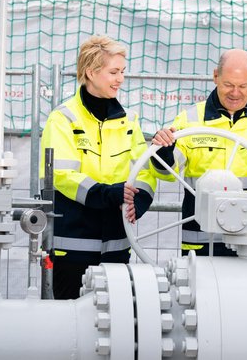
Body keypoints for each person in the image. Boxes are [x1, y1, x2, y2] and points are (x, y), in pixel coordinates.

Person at [150, 48, 247, 256]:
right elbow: (167, 171)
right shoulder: (190, 119)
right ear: (215, 76)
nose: (235, 93)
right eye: (228, 85)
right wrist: (165, 150)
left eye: (243, 86)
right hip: (202, 241)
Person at [40, 35, 155, 299]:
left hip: (116, 244)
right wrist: (109, 194)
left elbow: (144, 169)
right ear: (91, 72)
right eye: (114, 72)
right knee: (70, 324)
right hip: (73, 246)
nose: (120, 79)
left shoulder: (129, 120)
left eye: (122, 72)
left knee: (115, 321)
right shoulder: (63, 118)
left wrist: (140, 200)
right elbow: (61, 175)